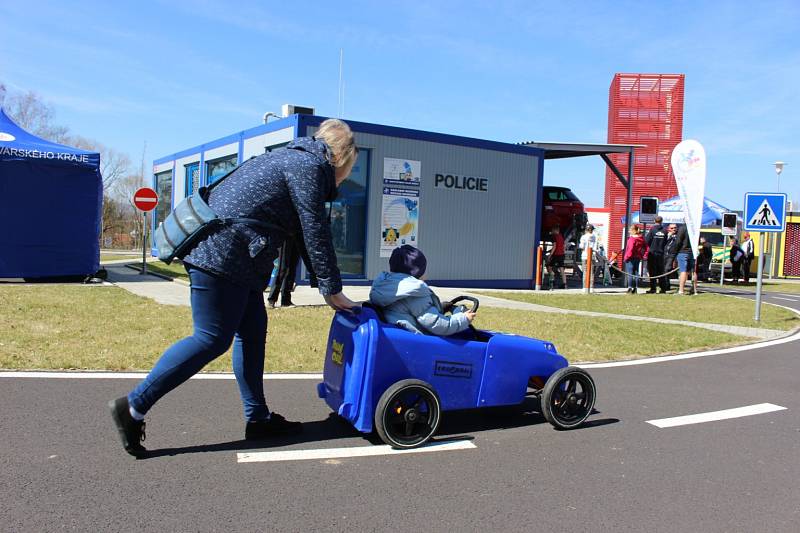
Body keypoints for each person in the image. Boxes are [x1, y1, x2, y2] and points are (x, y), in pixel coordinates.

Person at [109, 119, 360, 457]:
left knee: (253, 331)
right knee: (211, 337)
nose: (345, 177)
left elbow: (302, 232)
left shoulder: (291, 157)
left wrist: (324, 284)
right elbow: (313, 228)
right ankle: (134, 406)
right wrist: (332, 290)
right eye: (349, 168)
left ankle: (257, 419)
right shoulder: (308, 165)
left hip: (236, 256)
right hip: (223, 253)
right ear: (341, 156)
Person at [369, 245, 476, 335]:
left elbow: (408, 310)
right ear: (415, 272)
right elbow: (438, 325)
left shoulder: (388, 288)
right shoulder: (415, 294)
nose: (426, 275)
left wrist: (440, 308)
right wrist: (464, 319)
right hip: (421, 342)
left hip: (403, 335)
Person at [267, 239, 300, 308]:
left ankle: (286, 301)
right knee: (282, 268)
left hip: (297, 235)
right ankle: (271, 299)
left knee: (292, 267)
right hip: (284, 235)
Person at [644, 216, 668, 294]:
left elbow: (647, 241)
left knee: (652, 271)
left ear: (654, 221)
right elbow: (666, 241)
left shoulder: (652, 229)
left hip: (652, 253)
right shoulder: (665, 230)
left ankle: (653, 288)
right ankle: (663, 288)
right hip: (661, 253)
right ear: (662, 221)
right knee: (661, 271)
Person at [623, 225, 648, 294]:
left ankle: (630, 288)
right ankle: (636, 288)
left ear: (633, 231)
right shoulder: (641, 239)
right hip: (638, 257)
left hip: (630, 258)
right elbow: (646, 248)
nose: (629, 231)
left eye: (630, 230)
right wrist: (644, 255)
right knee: (636, 273)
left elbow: (630, 249)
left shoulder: (631, 239)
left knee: (630, 273)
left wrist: (627, 257)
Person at [674, 224, 697, 295]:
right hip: (693, 252)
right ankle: (694, 289)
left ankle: (681, 290)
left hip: (683, 251)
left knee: (683, 271)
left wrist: (675, 251)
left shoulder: (682, 228)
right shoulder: (695, 227)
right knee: (693, 271)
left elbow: (678, 241)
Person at [545, 225, 567, 289]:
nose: (551, 231)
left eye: (552, 230)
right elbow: (564, 245)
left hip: (556, 254)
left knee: (549, 266)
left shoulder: (554, 237)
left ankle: (552, 281)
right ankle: (564, 284)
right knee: (561, 269)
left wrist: (550, 255)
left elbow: (554, 246)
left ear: (555, 230)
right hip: (562, 254)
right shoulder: (562, 236)